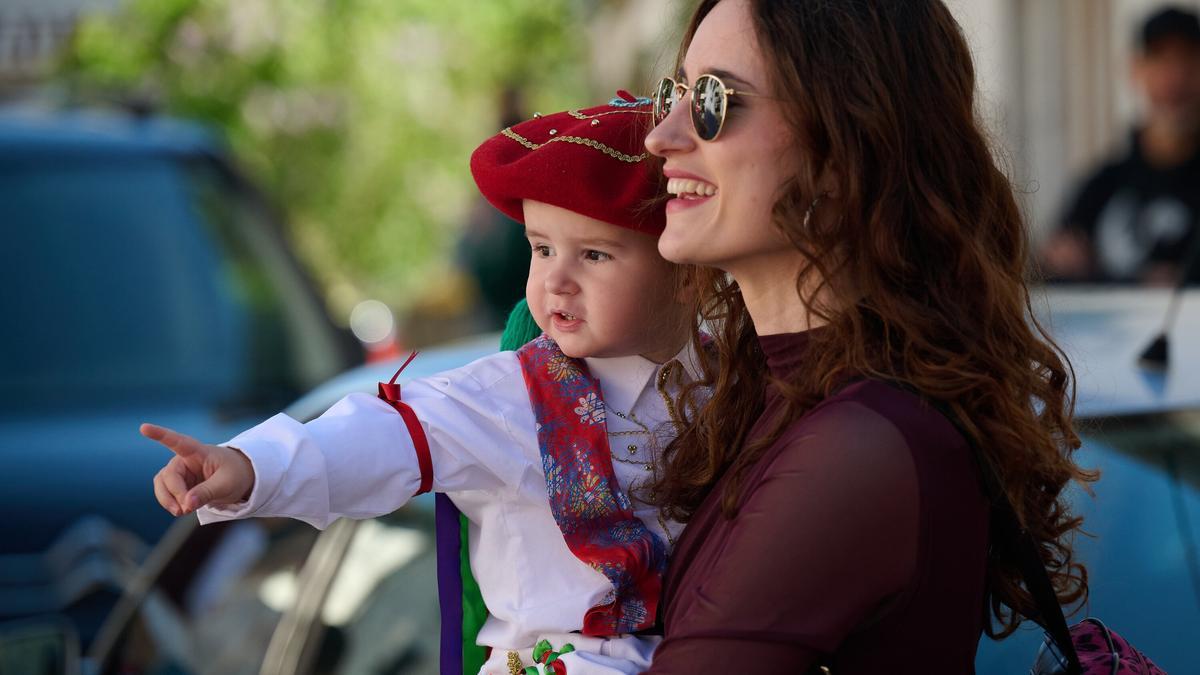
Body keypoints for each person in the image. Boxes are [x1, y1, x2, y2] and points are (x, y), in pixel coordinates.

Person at [142, 94, 701, 675]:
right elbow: (380, 437)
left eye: (594, 255)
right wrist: (248, 466)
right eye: (541, 249)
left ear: (685, 272)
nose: (556, 279)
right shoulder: (511, 396)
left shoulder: (728, 384)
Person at [640, 1, 1094, 672]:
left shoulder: (860, 445)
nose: (661, 135)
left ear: (842, 148)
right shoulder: (777, 400)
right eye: (673, 93)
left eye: (711, 100)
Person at [1042, 5, 1200, 285]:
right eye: (1160, 60)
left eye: (1187, 60)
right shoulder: (1101, 185)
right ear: (1137, 70)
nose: (1175, 77)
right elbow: (1054, 269)